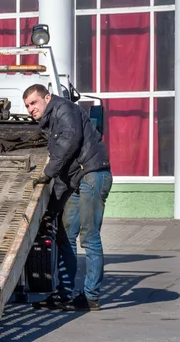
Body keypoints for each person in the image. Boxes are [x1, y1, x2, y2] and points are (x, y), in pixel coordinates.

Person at [22, 84, 112, 311]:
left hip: (93, 174)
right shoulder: (51, 124)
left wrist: (46, 173)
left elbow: (69, 142)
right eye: (27, 106)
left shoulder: (64, 108)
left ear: (48, 98)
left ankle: (90, 296)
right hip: (77, 180)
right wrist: (50, 209)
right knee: (64, 236)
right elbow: (63, 173)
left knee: (89, 237)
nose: (31, 109)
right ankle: (64, 293)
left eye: (34, 102)